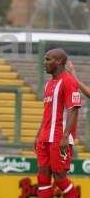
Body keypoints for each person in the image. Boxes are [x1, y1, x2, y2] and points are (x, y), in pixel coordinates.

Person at [34, 49, 81, 198]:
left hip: (59, 137)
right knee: (42, 177)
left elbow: (74, 110)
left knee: (60, 179)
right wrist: (38, 135)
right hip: (45, 137)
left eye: (48, 59)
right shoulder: (49, 84)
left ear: (59, 62)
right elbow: (47, 112)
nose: (44, 62)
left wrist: (65, 136)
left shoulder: (68, 81)